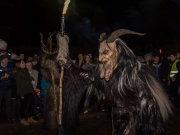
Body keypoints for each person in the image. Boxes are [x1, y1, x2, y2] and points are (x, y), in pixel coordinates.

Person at [13, 60, 37, 125]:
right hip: (23, 92)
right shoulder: (18, 73)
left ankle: (30, 117)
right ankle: (23, 119)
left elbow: (29, 81)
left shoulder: (26, 71)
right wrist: (21, 94)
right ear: (18, 64)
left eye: (24, 62)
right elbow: (18, 84)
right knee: (23, 106)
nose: (24, 64)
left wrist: (32, 90)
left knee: (32, 104)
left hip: (29, 91)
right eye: (22, 63)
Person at [0, 55, 13, 123]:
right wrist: (2, 77)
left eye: (7, 60)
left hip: (8, 89)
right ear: (1, 60)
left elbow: (13, 76)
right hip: (0, 89)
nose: (7, 61)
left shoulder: (10, 67)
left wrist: (9, 76)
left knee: (8, 104)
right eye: (5, 59)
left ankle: (8, 117)